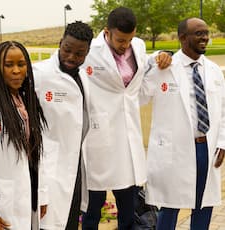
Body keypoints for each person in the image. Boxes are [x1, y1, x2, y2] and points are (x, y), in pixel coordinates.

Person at [81, 7, 171, 230]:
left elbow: (148, 62)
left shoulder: (138, 46)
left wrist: (161, 56)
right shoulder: (90, 50)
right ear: (106, 32)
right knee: (93, 207)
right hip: (99, 137)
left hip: (128, 135)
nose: (125, 45)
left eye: (129, 39)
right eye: (120, 40)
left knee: (128, 207)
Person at [140, 17, 225, 230]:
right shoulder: (164, 67)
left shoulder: (214, 70)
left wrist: (223, 142)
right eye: (199, 33)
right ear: (182, 38)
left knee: (204, 204)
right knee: (171, 205)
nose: (205, 37)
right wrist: (152, 61)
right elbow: (140, 97)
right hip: (175, 150)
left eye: (206, 33)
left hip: (207, 147)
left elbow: (224, 108)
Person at [0, 41, 47, 230]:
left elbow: (37, 152)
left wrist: (42, 193)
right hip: (2, 201)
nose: (16, 71)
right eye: (8, 65)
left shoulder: (27, 102)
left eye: (21, 64)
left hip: (29, 192)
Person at [33, 21, 93, 229]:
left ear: (87, 53)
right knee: (48, 222)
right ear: (60, 43)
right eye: (67, 49)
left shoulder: (84, 77)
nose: (71, 57)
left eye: (79, 54)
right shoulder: (38, 74)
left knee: (70, 219)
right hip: (49, 165)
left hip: (75, 165)